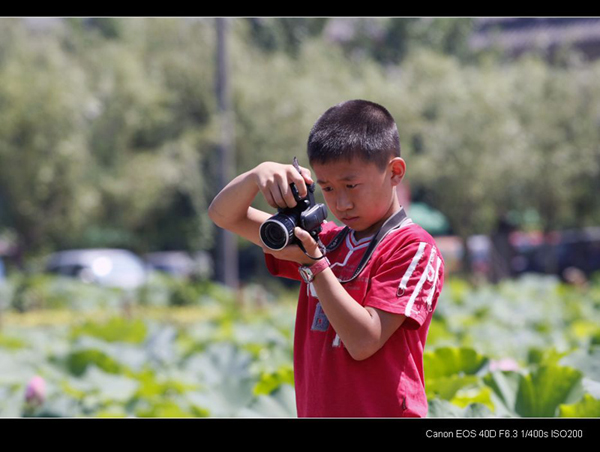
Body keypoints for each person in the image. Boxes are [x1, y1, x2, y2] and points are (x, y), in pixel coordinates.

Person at [209, 99, 444, 417]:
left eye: (351, 185)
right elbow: (224, 216)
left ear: (395, 172)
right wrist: (256, 175)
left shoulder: (413, 247)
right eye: (328, 188)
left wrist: (315, 265)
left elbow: (364, 342)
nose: (342, 202)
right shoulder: (327, 240)